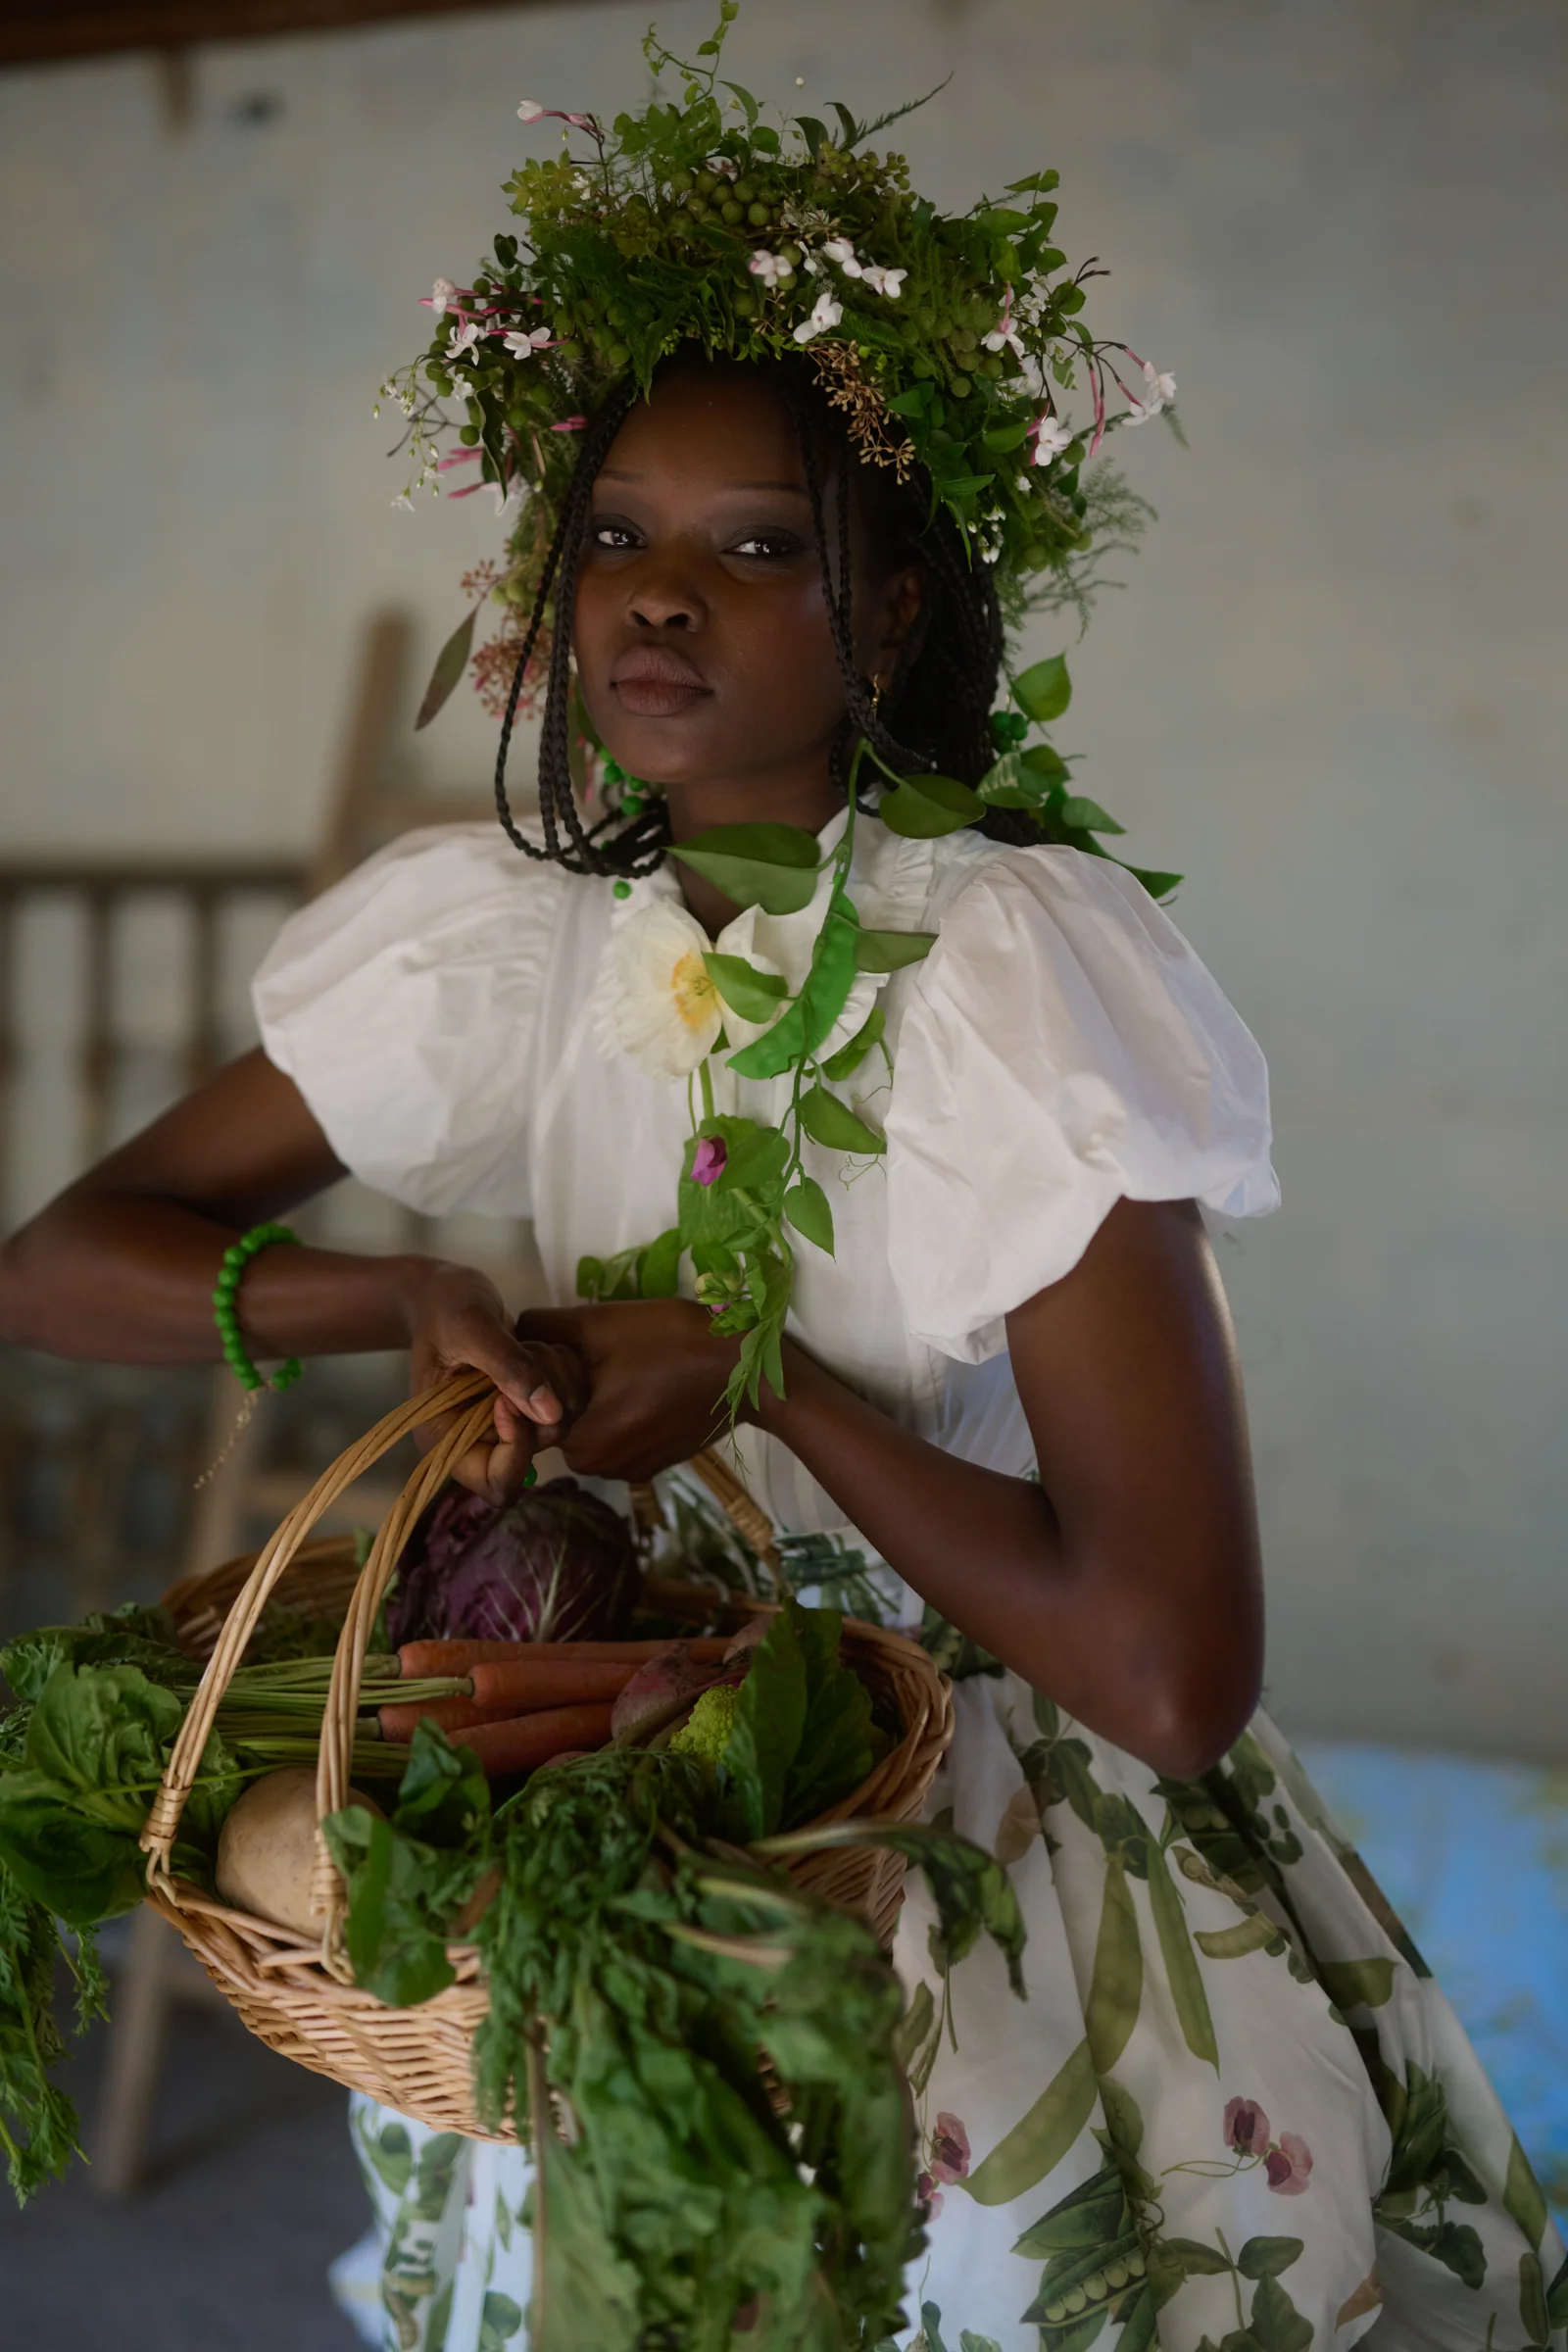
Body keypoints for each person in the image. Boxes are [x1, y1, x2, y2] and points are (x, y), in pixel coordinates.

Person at [1, 23, 1560, 2352]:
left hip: (969, 1852)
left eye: (752, 550)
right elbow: (59, 1263)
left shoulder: (1010, 970)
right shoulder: (507, 952)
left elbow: (1163, 1671)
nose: (655, 599)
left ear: (888, 616)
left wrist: (772, 1384)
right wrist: (392, 1303)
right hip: (619, 1822)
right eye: (615, 536)